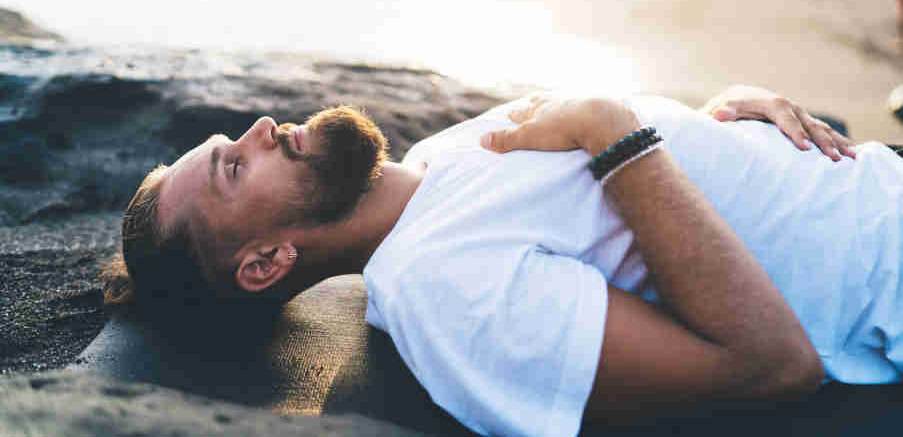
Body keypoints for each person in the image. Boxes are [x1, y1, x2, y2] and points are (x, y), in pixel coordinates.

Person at [104, 84, 897, 437]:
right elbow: (767, 366)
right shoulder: (442, 287)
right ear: (266, 263)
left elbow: (662, 190)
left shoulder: (437, 156)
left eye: (230, 143)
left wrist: (722, 115)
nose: (262, 126)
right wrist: (613, 134)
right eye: (234, 168)